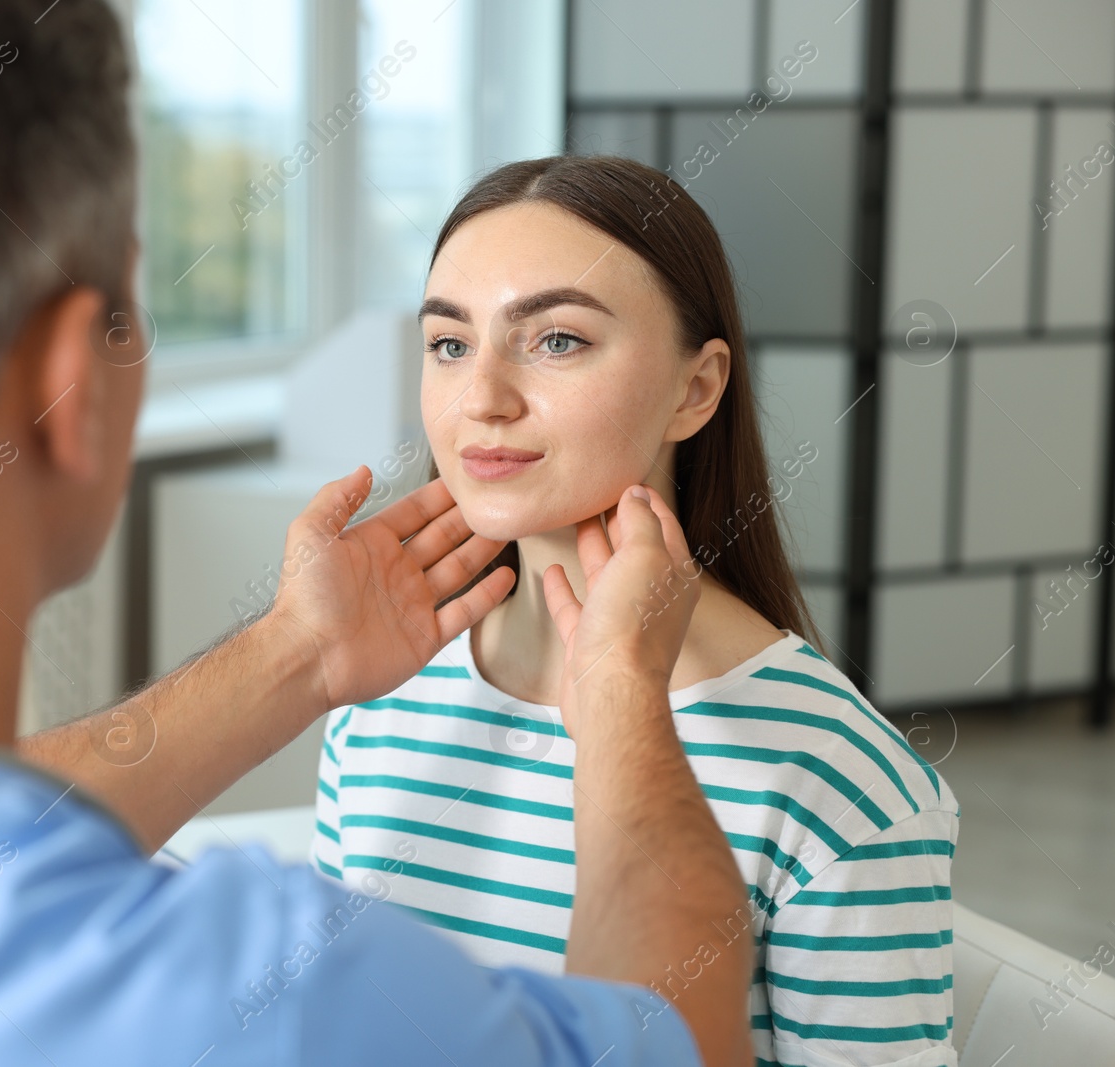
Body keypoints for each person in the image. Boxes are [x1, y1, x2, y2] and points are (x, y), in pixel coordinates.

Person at [0, 2, 755, 1064]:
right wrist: (625, 698)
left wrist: (299, 655)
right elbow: (680, 1037)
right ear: (72, 378)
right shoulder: (268, 994)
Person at [311, 155, 959, 1067]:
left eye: (557, 340)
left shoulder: (840, 779)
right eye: (451, 344)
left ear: (695, 389)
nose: (482, 400)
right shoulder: (376, 699)